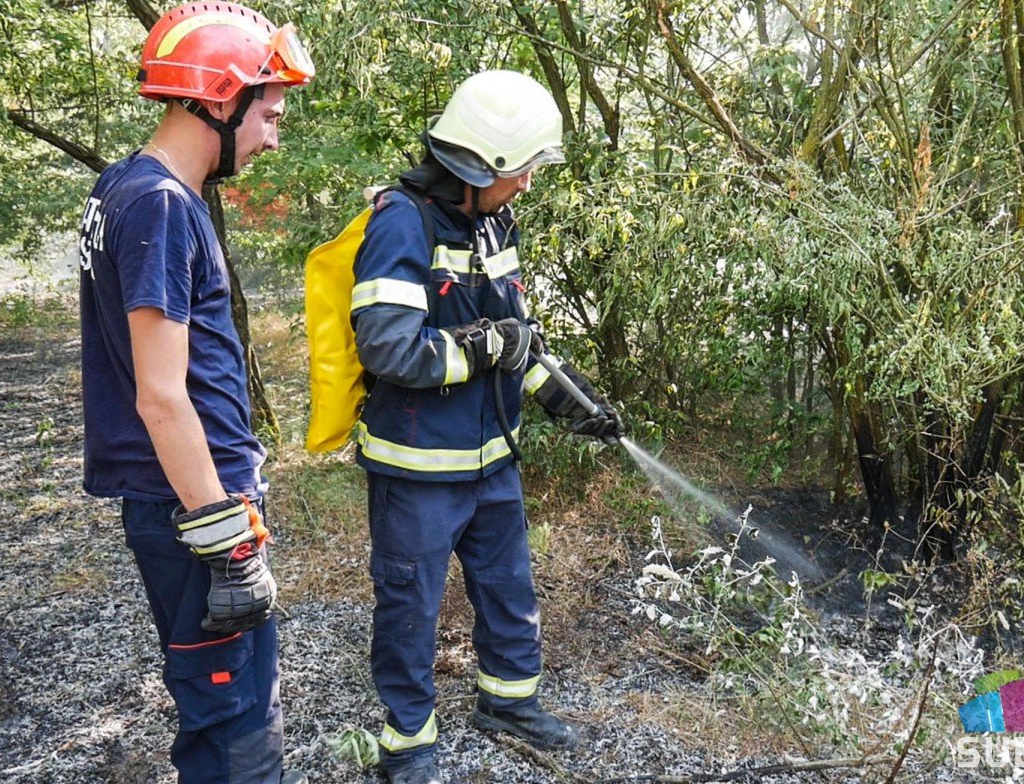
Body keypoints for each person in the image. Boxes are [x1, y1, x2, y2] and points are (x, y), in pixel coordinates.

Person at [350, 70, 625, 784]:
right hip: (417, 467)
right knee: (410, 607)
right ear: (478, 165)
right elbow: (387, 347)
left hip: (491, 460)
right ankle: (407, 742)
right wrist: (480, 348)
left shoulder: (495, 221)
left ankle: (508, 704)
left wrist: (569, 400)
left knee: (509, 590)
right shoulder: (401, 222)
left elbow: (516, 339)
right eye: (522, 169)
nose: (528, 183)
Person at [77, 4, 313, 782]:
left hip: (181, 501)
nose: (273, 137)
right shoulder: (163, 205)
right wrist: (228, 539)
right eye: (269, 114)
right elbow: (160, 395)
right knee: (237, 721)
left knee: (219, 710)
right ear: (221, 98)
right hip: (193, 509)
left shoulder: (126, 185)